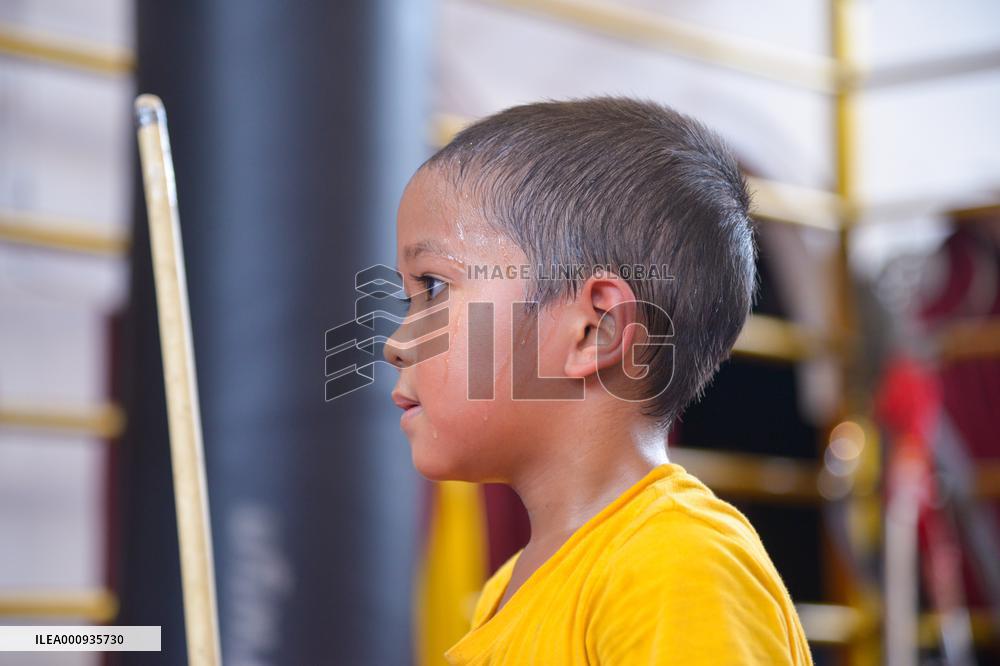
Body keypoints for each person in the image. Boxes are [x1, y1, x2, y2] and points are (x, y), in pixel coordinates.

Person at [384, 96, 813, 665]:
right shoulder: (507, 590)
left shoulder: (673, 564)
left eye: (434, 289)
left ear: (594, 330)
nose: (394, 344)